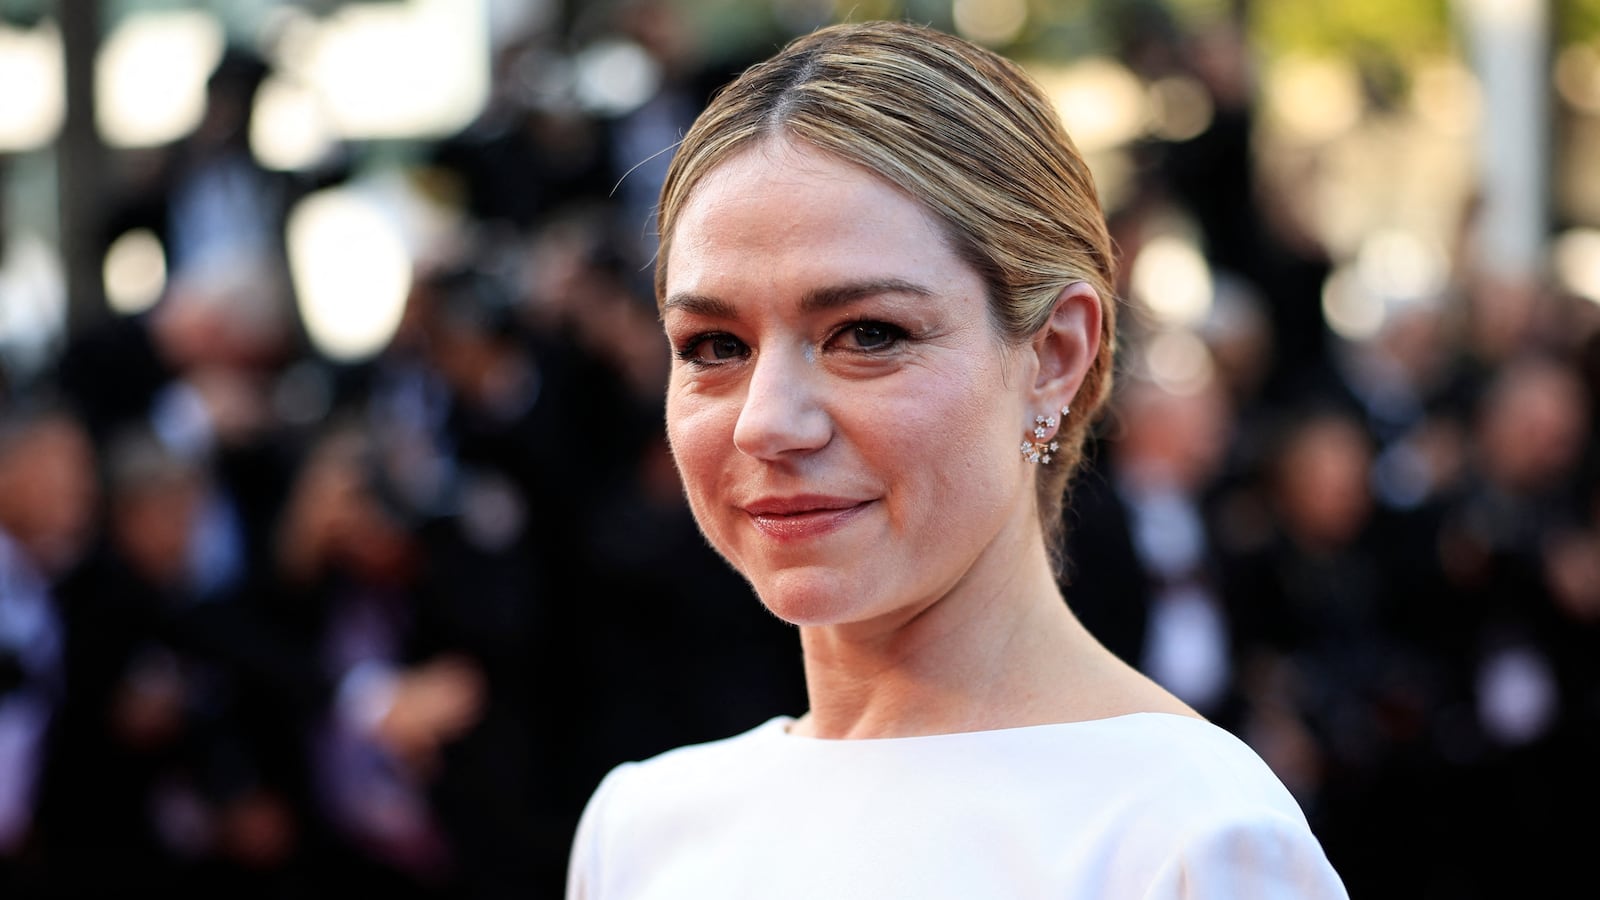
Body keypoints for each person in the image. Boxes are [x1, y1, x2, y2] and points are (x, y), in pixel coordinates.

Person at [565, 20, 1349, 899]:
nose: (766, 423)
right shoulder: (639, 830)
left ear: (1054, 356)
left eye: (867, 334)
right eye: (713, 345)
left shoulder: (1191, 840)